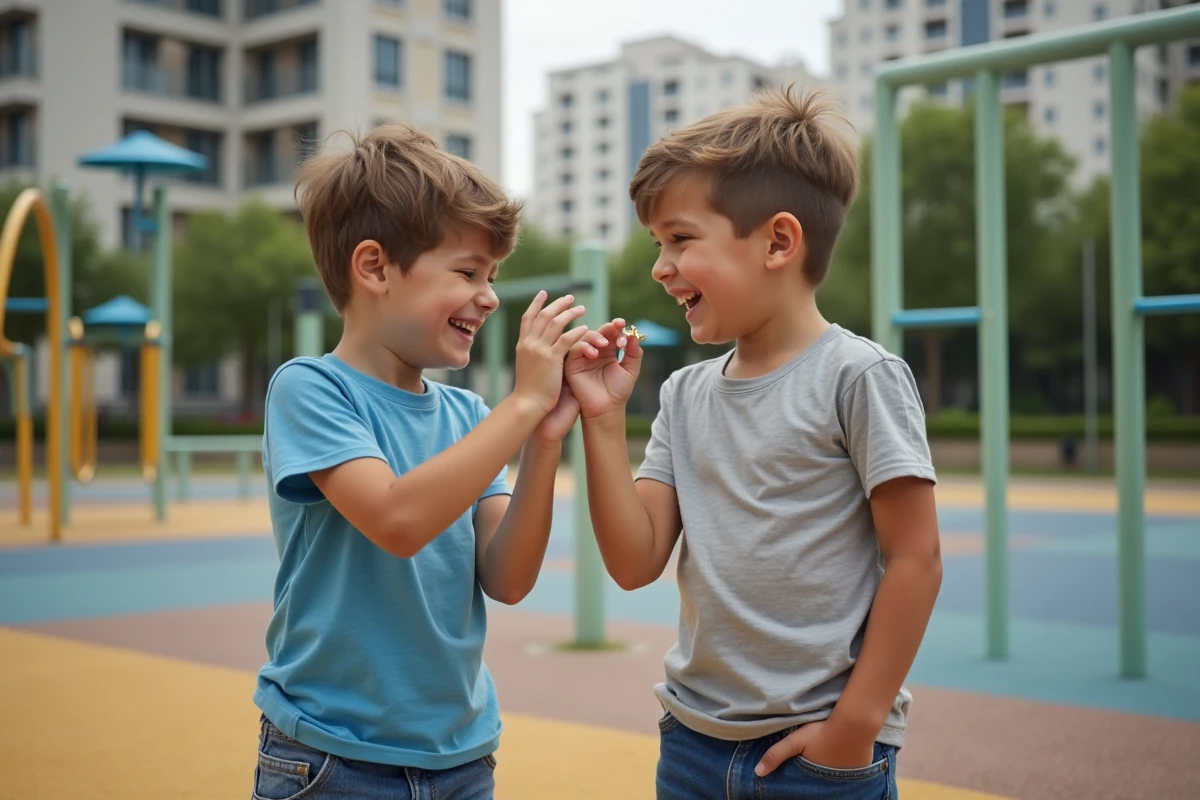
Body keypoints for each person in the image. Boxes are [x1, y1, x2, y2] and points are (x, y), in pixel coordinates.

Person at [564, 88, 944, 798]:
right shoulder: (683, 394)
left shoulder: (857, 376)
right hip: (692, 744)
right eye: (657, 244)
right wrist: (604, 421)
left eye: (680, 239)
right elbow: (634, 559)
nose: (659, 266)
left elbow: (916, 557)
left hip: (823, 749)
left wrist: (854, 726)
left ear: (777, 241)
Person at [250, 124, 605, 800]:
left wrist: (544, 439)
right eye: (468, 272)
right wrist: (523, 406)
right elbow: (396, 521)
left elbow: (508, 577)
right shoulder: (311, 389)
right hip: (331, 758)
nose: (490, 296)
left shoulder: (469, 418)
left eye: (492, 276)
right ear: (375, 267)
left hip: (462, 757)